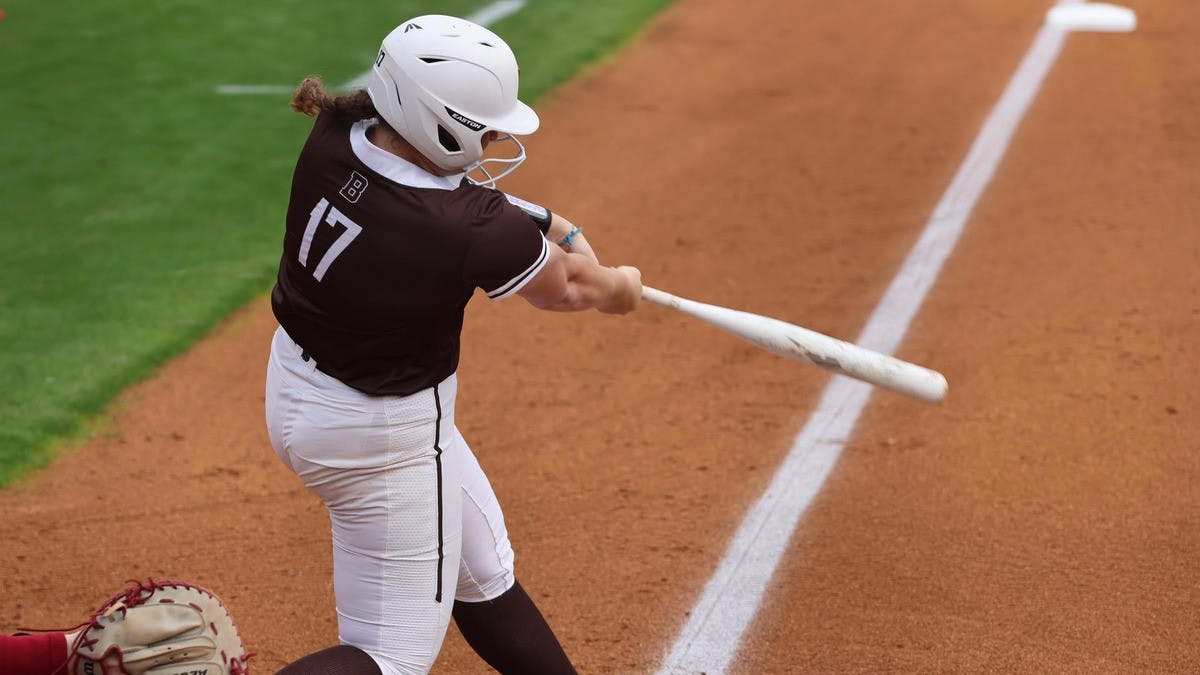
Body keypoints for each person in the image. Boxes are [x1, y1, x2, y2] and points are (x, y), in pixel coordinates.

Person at [265, 14, 642, 675]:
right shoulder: (472, 229)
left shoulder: (337, 132)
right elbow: (571, 288)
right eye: (486, 126)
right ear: (440, 122)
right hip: (380, 432)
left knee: (480, 569)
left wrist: (554, 222)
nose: (496, 138)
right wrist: (621, 287)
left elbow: (438, 191)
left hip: (298, 386)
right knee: (390, 655)